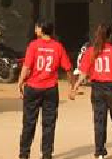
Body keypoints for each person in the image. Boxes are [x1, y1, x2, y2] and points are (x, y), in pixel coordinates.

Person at [69, 24, 112, 159]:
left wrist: (75, 87)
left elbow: (83, 73)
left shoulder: (91, 51)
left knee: (99, 120)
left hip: (97, 88)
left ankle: (99, 153)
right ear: (110, 36)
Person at [18, 22, 72, 159]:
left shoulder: (33, 45)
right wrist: (71, 85)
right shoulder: (58, 46)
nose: (35, 29)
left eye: (37, 27)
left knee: (29, 122)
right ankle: (46, 154)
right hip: (50, 89)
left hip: (33, 87)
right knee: (49, 123)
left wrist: (20, 82)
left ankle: (24, 153)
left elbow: (27, 67)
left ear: (42, 30)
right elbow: (68, 68)